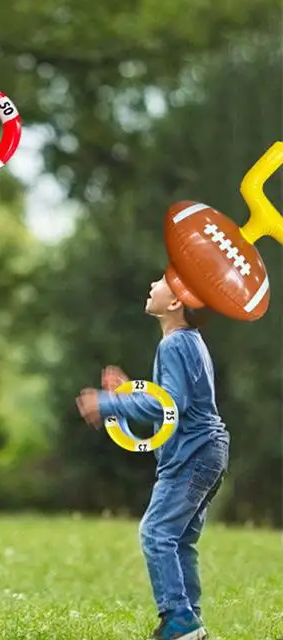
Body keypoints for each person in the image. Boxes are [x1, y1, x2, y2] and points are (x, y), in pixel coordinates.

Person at [75, 274, 229, 640]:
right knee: (179, 540)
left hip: (192, 455)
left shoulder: (175, 345)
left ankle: (179, 619)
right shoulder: (189, 342)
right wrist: (129, 394)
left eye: (162, 281)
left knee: (157, 532)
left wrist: (110, 401)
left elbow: (168, 406)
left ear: (175, 303)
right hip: (208, 451)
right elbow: (166, 401)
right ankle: (190, 622)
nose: (152, 283)